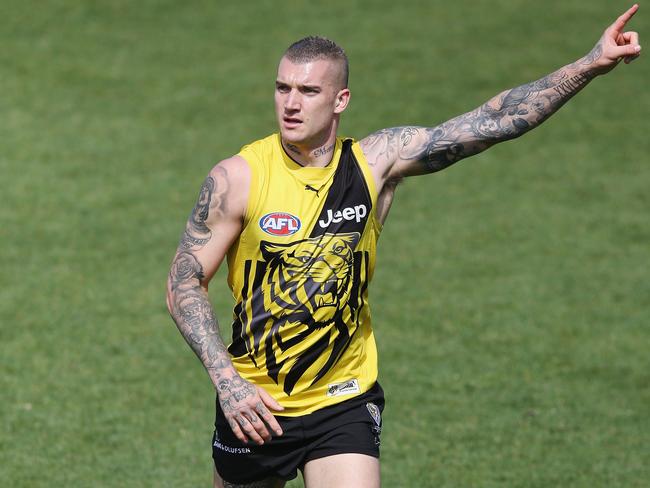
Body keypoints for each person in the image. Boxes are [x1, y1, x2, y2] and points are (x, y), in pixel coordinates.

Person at [166, 5, 641, 487]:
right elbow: (183, 282)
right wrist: (228, 383)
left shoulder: (376, 163)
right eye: (282, 87)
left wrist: (589, 64)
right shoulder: (239, 178)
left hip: (343, 397)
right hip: (256, 404)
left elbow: (492, 122)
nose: (291, 103)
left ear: (340, 100)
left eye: (309, 91)